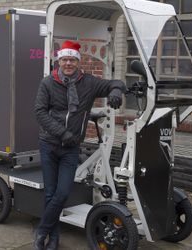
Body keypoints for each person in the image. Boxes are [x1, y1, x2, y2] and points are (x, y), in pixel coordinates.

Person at [33, 40, 126, 250]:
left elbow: (117, 82)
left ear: (78, 61)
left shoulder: (89, 83)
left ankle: (42, 230)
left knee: (62, 192)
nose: (68, 63)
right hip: (49, 144)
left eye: (72, 60)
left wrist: (115, 92)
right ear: (59, 61)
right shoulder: (48, 83)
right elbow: (39, 112)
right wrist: (63, 133)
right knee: (50, 193)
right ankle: (53, 238)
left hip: (71, 148)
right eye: (65, 59)